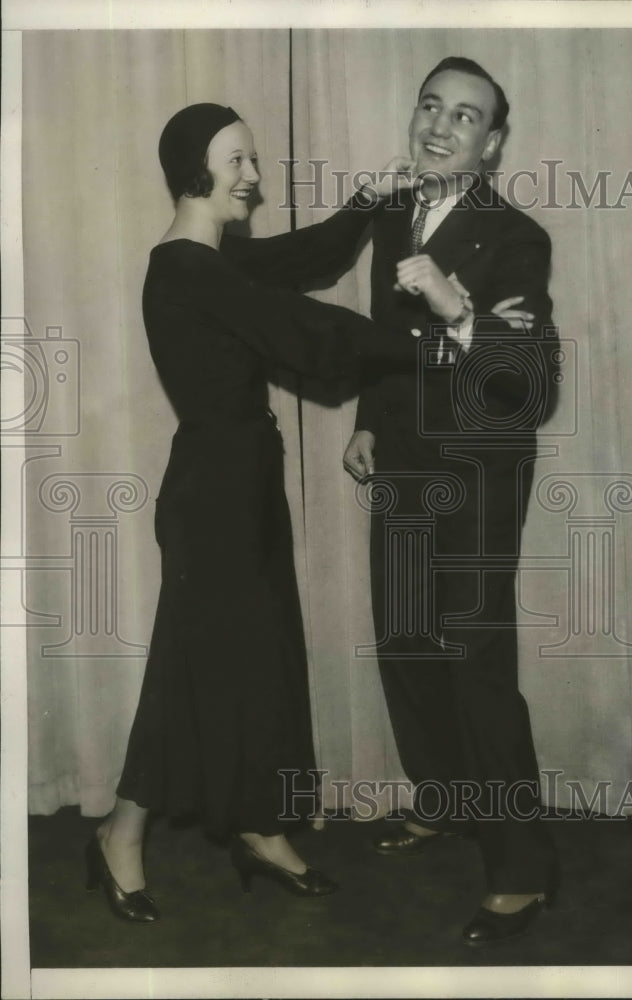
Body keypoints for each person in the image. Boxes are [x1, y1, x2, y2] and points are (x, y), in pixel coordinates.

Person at [86, 103, 420, 922]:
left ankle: (263, 829)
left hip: (243, 479)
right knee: (190, 670)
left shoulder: (215, 260)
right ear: (194, 170)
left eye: (253, 160)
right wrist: (436, 341)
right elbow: (301, 329)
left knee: (266, 656)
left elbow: (299, 256)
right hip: (211, 491)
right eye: (237, 161)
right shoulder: (186, 269)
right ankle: (118, 835)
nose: (254, 177)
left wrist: (371, 203)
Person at [342, 57, 560, 945]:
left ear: (492, 143)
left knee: (473, 662)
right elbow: (382, 339)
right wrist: (365, 420)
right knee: (403, 637)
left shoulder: (517, 239)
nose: (438, 126)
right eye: (430, 106)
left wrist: (452, 306)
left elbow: (529, 386)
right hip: (399, 455)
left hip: (477, 469)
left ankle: (521, 872)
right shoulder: (395, 215)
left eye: (464, 117)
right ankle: (440, 799)